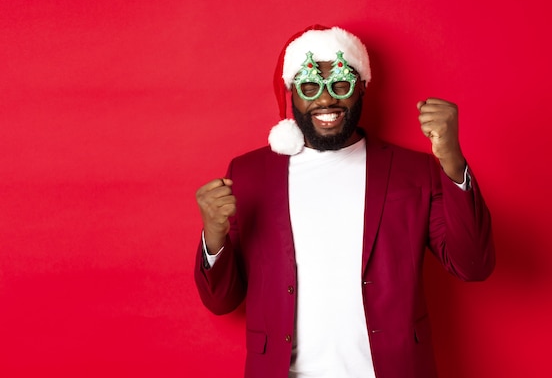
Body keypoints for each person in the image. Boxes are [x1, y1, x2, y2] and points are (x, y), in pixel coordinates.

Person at [194, 25, 495, 378]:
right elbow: (222, 301)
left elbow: (473, 264)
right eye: (310, 87)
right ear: (292, 92)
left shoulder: (414, 171)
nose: (325, 100)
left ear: (362, 86)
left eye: (340, 84)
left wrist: (452, 161)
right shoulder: (249, 173)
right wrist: (214, 235)